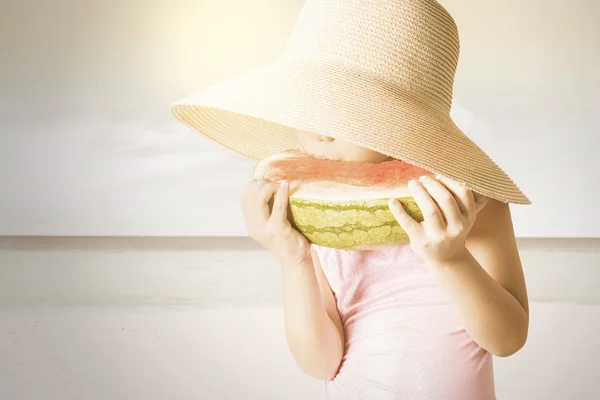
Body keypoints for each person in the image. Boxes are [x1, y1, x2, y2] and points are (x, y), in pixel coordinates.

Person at [170, 0, 531, 398]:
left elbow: (508, 340)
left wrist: (450, 257)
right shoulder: (314, 214)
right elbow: (320, 363)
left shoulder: (469, 203)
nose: (319, 134)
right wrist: (294, 260)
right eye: (307, 111)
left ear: (405, 123)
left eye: (342, 114)